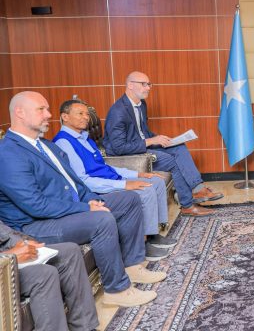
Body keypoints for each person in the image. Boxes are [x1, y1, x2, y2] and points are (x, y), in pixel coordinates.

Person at [0, 91, 164, 307]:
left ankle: (133, 265)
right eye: (41, 109)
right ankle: (117, 289)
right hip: (35, 225)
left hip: (64, 209)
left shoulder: (47, 146)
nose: (49, 114)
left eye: (47, 109)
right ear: (19, 113)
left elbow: (76, 182)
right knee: (101, 220)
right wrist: (85, 208)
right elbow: (35, 205)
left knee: (129, 199)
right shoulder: (8, 153)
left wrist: (91, 200)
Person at [53, 99, 177, 260]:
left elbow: (105, 166)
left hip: (110, 178)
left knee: (157, 182)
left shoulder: (84, 137)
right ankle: (142, 244)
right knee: (145, 190)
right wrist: (125, 184)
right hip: (98, 188)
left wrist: (138, 174)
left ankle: (152, 233)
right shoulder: (63, 142)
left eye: (87, 114)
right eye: (80, 114)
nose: (86, 117)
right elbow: (83, 180)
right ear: (65, 117)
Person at [102, 71, 222, 217]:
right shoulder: (118, 112)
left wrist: (160, 139)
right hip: (129, 156)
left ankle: (198, 189)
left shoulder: (141, 104)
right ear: (130, 85)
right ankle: (187, 205)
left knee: (178, 147)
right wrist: (151, 141)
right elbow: (119, 148)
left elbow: (142, 132)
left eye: (149, 84)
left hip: (141, 146)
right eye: (143, 84)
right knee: (171, 161)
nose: (148, 88)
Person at [1, 220, 99, 331]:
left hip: (6, 254)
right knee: (43, 275)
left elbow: (3, 231)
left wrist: (24, 243)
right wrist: (9, 256)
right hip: (3, 264)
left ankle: (85, 327)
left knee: (70, 252)